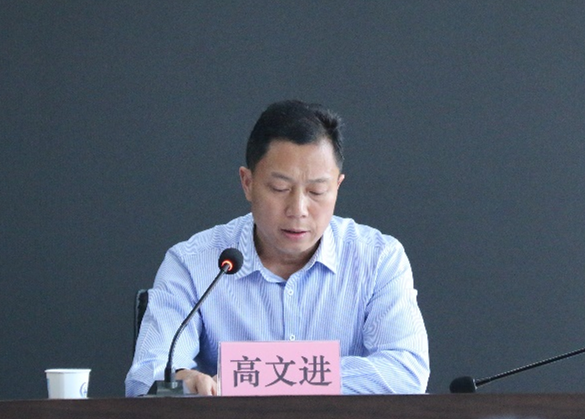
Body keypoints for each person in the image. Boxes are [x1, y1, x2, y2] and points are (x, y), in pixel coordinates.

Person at [125, 100, 429, 396]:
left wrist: (271, 377)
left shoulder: (377, 259)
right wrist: (181, 382)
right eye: (280, 188)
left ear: (337, 187)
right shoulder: (193, 262)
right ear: (247, 183)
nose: (298, 209)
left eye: (317, 191)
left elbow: (406, 371)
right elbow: (145, 378)